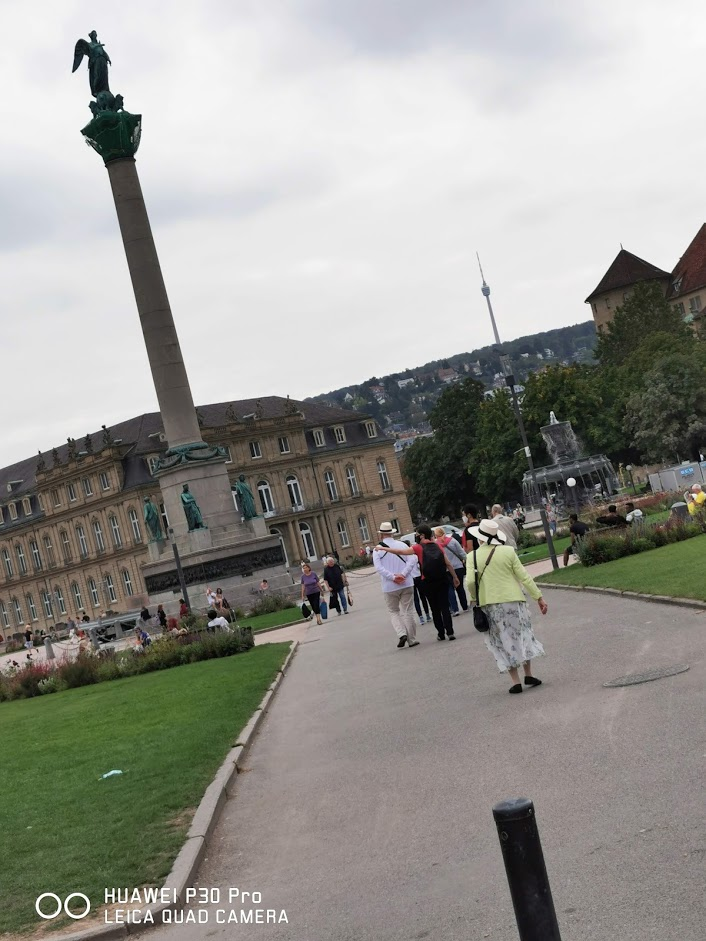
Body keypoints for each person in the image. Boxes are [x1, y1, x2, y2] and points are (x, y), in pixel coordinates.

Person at [464, 518, 548, 694]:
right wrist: (538, 597)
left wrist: (475, 597)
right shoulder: (508, 551)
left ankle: (515, 681)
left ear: (480, 537)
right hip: (514, 600)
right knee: (522, 635)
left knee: (503, 639)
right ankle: (528, 674)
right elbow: (524, 577)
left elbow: (471, 581)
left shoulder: (472, 556)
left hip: (489, 603)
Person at [381, 524, 460, 641]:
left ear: (422, 535)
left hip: (427, 581)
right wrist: (455, 577)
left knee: (434, 608)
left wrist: (384, 548)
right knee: (444, 606)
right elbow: (447, 563)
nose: (416, 536)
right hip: (442, 579)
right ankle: (450, 632)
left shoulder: (418, 547)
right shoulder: (438, 545)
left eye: (417, 534)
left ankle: (441, 633)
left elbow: (400, 552)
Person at [372, 522, 420, 649]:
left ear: (381, 534)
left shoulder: (377, 550)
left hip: (389, 586)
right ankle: (412, 639)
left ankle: (401, 633)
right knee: (408, 611)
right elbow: (412, 560)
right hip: (407, 583)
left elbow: (379, 568)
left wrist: (393, 577)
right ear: (392, 533)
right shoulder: (402, 545)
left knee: (393, 611)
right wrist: (403, 574)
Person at [434, 527, 468, 615]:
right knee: (460, 587)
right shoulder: (452, 541)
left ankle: (455, 609)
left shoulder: (435, 545)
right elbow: (461, 552)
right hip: (458, 567)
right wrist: (467, 561)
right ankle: (464, 606)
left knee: (450, 589)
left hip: (445, 569)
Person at [404, 540, 431, 626]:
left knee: (416, 599)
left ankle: (421, 617)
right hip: (419, 577)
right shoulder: (415, 556)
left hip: (411, 579)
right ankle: (427, 614)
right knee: (423, 597)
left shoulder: (404, 557)